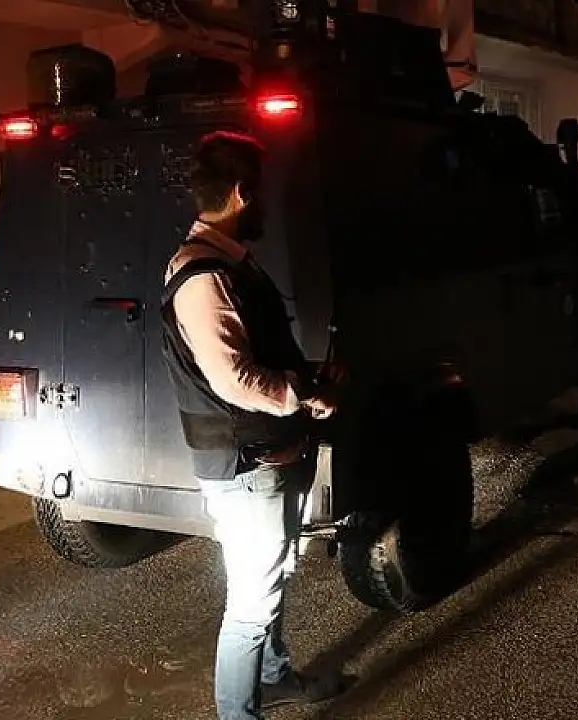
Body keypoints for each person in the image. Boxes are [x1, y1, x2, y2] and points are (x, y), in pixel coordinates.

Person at [161, 131, 346, 719]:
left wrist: (308, 376)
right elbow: (235, 379)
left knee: (274, 579)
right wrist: (305, 394)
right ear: (241, 193)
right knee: (250, 607)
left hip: (268, 457)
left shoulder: (229, 264)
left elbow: (256, 354)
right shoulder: (203, 275)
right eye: (260, 192)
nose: (266, 203)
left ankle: (273, 676)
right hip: (246, 469)